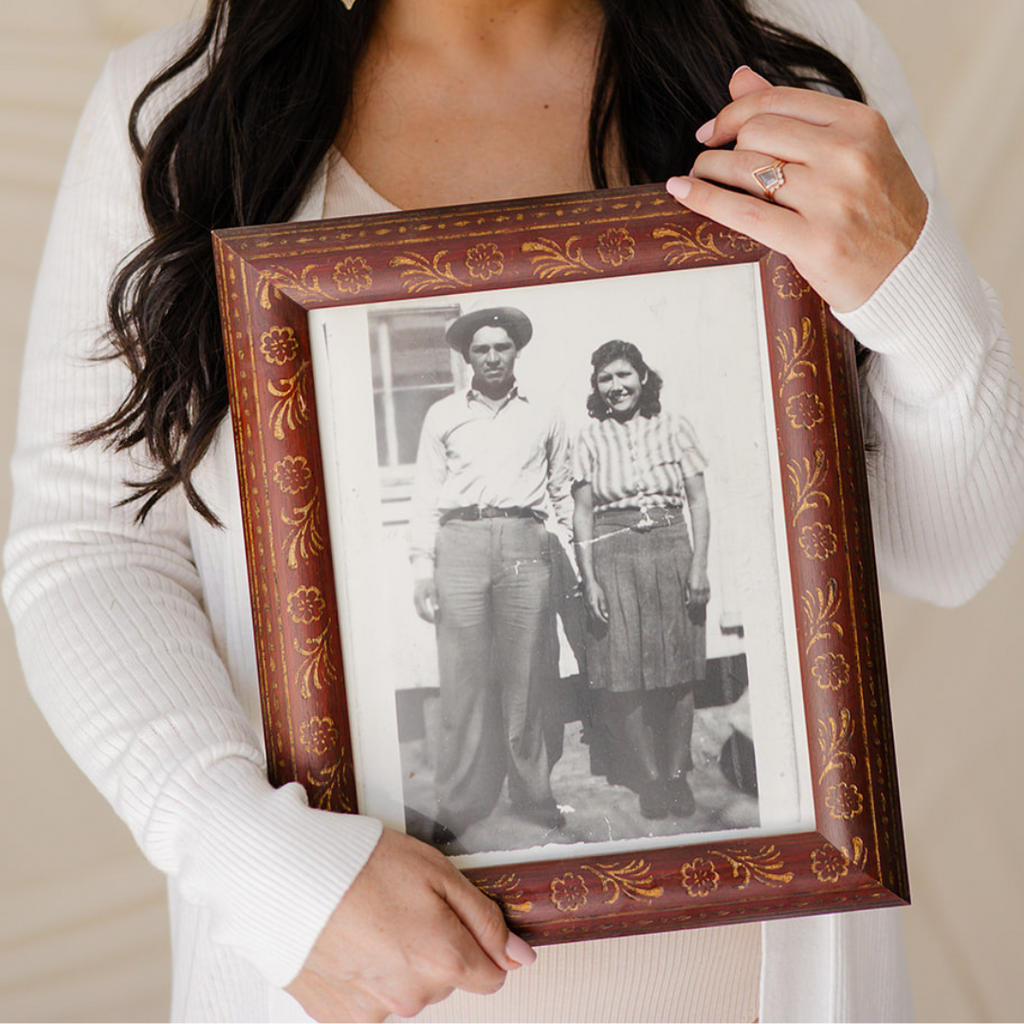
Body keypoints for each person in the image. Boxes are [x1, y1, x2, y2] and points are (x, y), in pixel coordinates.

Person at [4, 0, 1024, 1020]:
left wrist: (912, 285)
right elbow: (86, 545)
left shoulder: (797, 65)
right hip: (360, 977)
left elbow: (946, 549)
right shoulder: (180, 112)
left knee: (552, 676)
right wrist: (245, 850)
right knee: (471, 679)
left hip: (760, 984)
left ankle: (558, 794)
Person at [409, 306, 571, 844]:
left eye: (502, 346)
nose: (493, 356)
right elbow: (425, 497)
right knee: (463, 678)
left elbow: (563, 492)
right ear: (467, 357)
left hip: (526, 540)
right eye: (482, 349)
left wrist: (574, 557)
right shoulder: (443, 415)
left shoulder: (543, 414)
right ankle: (460, 802)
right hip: (460, 544)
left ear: (516, 351)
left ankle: (533, 791)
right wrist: (422, 568)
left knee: (527, 676)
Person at [572, 340, 710, 820]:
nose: (617, 386)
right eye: (606, 378)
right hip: (613, 552)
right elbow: (583, 513)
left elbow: (698, 501)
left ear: (643, 377)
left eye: (624, 375)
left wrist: (699, 565)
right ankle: (650, 780)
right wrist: (589, 578)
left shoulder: (674, 428)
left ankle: (676, 775)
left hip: (672, 546)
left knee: (678, 666)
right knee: (623, 671)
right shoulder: (588, 440)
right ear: (596, 387)